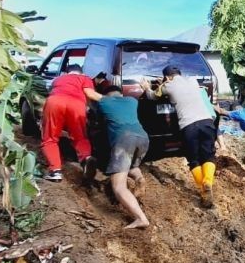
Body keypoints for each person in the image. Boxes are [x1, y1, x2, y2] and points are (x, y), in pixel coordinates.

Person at [140, 66, 217, 208]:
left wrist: (146, 87)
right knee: (209, 156)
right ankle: (208, 181)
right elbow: (179, 86)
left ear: (167, 77)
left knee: (194, 160)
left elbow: (152, 96)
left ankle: (202, 189)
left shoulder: (167, 86)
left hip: (189, 126)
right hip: (207, 122)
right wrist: (164, 82)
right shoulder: (193, 81)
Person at [97, 86, 150, 230]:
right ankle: (140, 179)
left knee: (119, 186)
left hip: (124, 139)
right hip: (143, 138)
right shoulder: (132, 101)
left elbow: (92, 98)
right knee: (131, 166)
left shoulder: (106, 102)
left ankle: (141, 218)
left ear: (108, 95)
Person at [41, 64, 102, 182]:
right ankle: (86, 158)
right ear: (81, 72)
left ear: (67, 72)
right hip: (77, 105)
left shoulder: (58, 79)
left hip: (55, 102)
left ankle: (55, 172)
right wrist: (111, 100)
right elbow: (90, 95)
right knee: (80, 136)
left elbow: (52, 91)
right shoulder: (85, 78)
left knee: (50, 138)